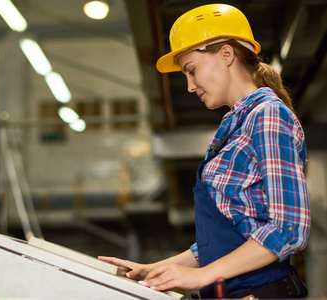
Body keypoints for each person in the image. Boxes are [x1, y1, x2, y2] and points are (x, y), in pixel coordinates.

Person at [99, 3, 310, 298]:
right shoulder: (234, 125)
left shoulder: (268, 115)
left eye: (191, 70)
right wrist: (154, 269)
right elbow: (228, 239)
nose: (189, 85)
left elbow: (288, 229)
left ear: (226, 54)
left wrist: (201, 276)